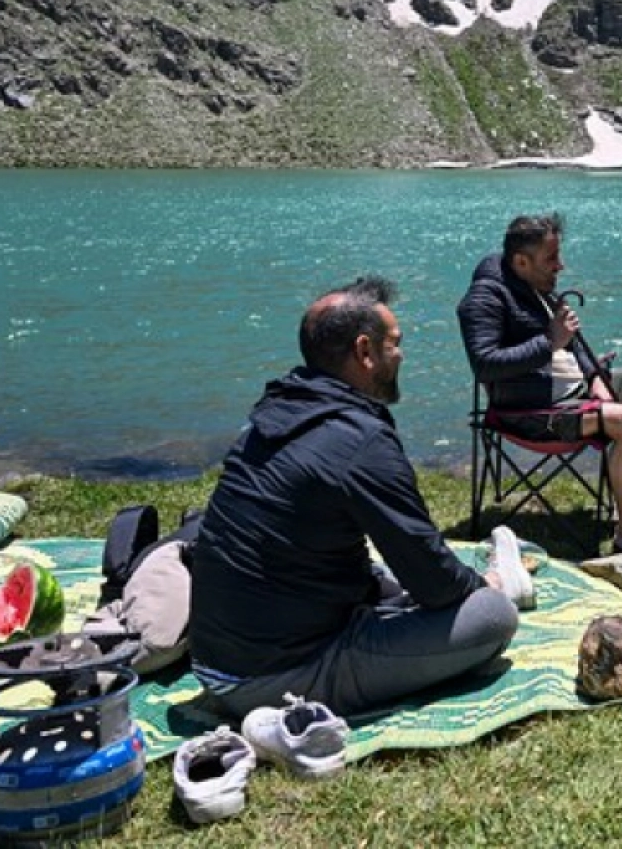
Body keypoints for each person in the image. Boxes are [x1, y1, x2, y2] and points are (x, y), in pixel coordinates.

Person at [190, 276, 532, 720]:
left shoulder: (277, 411)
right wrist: (482, 588)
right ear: (365, 352)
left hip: (222, 656)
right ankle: (499, 581)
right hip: (268, 680)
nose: (401, 354)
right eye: (395, 343)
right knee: (492, 615)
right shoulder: (359, 439)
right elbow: (432, 577)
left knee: (387, 578)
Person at [457, 213, 622, 554]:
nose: (560, 266)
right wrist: (549, 342)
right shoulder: (484, 299)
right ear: (521, 261)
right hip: (536, 412)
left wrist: (597, 380)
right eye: (551, 258)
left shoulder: (536, 284)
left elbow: (574, 342)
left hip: (577, 393)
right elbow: (485, 365)